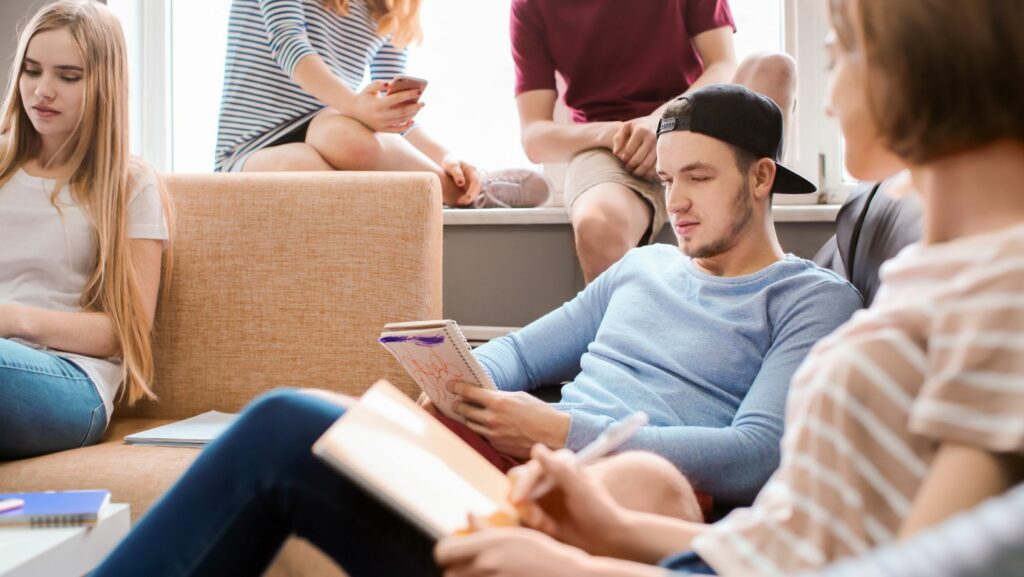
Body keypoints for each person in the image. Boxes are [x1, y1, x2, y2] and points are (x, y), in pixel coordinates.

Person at [90, 83, 861, 576]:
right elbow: (524, 349)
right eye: (667, 179)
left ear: (761, 178)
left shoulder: (812, 298)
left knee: (643, 481)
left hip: (624, 497)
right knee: (294, 419)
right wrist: (465, 379)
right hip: (518, 470)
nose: (678, 201)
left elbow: (756, 454)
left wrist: (558, 431)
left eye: (700, 177)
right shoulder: (642, 267)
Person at [511, 0, 805, 282]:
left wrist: (663, 121)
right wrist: (613, 133)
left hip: (697, 117)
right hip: (613, 147)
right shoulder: (530, 5)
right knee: (597, 225)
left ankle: (752, 283)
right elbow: (535, 136)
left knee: (774, 67)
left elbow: (723, 65)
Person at [0, 0, 171, 460]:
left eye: (67, 76)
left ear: (104, 84)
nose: (41, 91)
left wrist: (14, 319)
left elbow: (125, 332)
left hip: (70, 381)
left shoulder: (128, 186)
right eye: (31, 71)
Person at [216, 0, 550, 209]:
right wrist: (355, 106)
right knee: (304, 165)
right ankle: (454, 192)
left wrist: (445, 156)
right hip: (252, 146)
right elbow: (290, 46)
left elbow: (394, 115)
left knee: (341, 136)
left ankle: (468, 185)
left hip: (331, 125)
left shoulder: (390, 7)